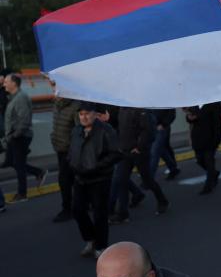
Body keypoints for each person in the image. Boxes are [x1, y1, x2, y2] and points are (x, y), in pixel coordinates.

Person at [70, 102, 121, 258]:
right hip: (80, 177)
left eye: (87, 113)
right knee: (77, 210)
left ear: (95, 114)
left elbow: (115, 153)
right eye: (81, 114)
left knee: (99, 213)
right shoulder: (77, 130)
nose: (83, 117)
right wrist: (72, 163)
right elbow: (72, 149)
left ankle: (101, 246)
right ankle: (90, 239)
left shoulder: (106, 130)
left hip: (100, 178)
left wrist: (96, 166)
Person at [112, 107, 170, 220]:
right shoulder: (122, 109)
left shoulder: (141, 110)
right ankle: (122, 213)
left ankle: (162, 201)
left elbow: (149, 130)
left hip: (139, 152)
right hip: (125, 152)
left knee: (147, 179)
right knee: (121, 180)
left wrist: (139, 147)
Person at [3, 74, 46, 203]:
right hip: (14, 136)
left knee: (19, 164)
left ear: (14, 83)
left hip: (20, 136)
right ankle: (38, 172)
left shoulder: (21, 98)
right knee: (12, 161)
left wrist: (15, 135)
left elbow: (24, 120)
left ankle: (22, 194)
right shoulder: (13, 97)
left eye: (6, 81)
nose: (4, 84)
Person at [50, 93, 80, 222]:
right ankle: (80, 204)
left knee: (65, 180)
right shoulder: (57, 105)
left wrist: (75, 149)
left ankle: (67, 209)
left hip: (70, 150)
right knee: (72, 180)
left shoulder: (75, 106)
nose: (55, 90)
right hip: (60, 148)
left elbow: (79, 130)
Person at [183, 103, 221, 195]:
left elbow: (217, 122)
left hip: (209, 138)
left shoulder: (213, 104)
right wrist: (190, 118)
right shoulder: (194, 104)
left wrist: (216, 140)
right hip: (197, 138)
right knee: (199, 160)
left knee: (209, 161)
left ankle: (208, 186)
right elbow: (189, 118)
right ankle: (214, 173)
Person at [149, 108, 180, 180]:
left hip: (161, 127)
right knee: (162, 150)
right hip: (151, 127)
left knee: (155, 152)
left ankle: (149, 179)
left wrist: (163, 124)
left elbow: (171, 113)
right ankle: (173, 168)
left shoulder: (165, 98)